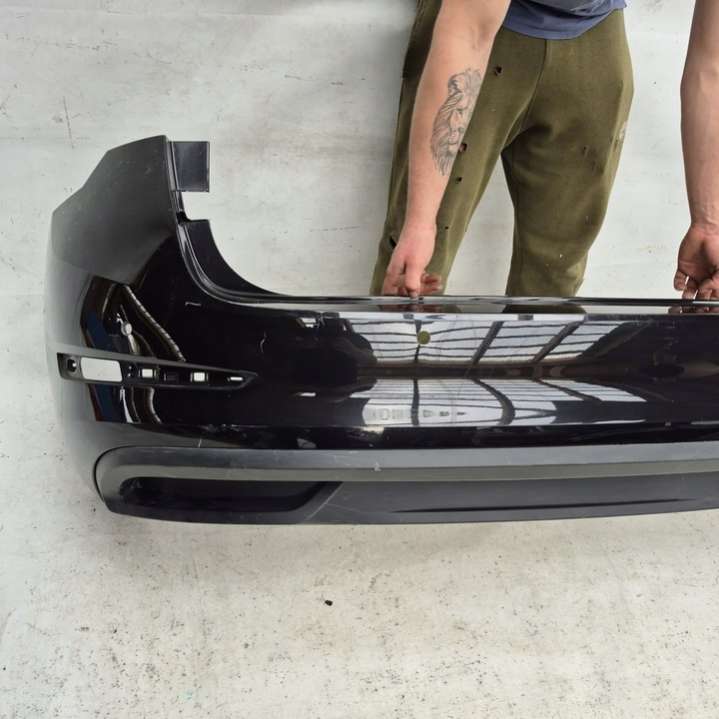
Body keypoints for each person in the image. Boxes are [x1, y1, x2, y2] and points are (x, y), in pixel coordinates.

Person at [369, 0, 719, 304]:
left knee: (557, 271)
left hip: (594, 24)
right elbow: (469, 31)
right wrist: (419, 222)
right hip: (476, 19)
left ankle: (533, 356)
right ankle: (398, 347)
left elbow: (711, 69)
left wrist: (708, 223)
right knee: (416, 268)